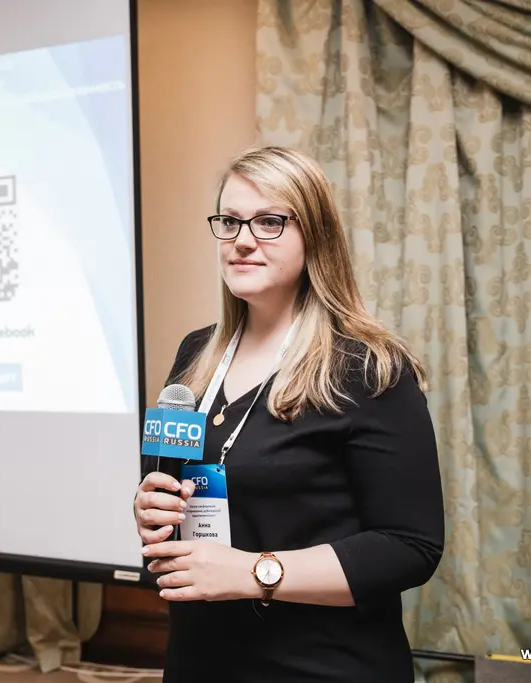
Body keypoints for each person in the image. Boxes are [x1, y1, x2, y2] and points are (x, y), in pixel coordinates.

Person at [132, 146, 445, 682]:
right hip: (200, 659)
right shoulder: (196, 354)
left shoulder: (369, 368)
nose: (242, 239)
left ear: (315, 236)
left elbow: (409, 547)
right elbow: (170, 488)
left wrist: (255, 572)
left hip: (322, 666)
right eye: (230, 221)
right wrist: (150, 507)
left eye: (270, 222)